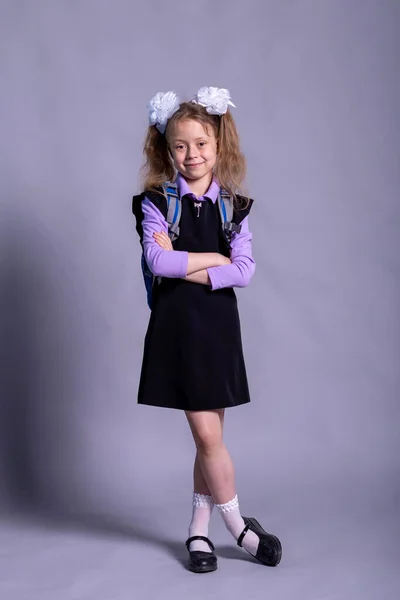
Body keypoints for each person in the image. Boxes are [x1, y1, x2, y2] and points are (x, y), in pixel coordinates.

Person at [132, 87, 282, 573]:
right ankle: (239, 526)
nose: (191, 155)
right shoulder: (157, 202)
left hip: (218, 328)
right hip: (178, 328)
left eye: (201, 144)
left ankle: (199, 531)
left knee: (208, 435)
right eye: (180, 146)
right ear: (166, 148)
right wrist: (216, 258)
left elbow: (245, 270)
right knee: (206, 434)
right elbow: (156, 259)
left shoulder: (233, 207)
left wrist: (190, 265)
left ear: (218, 146)